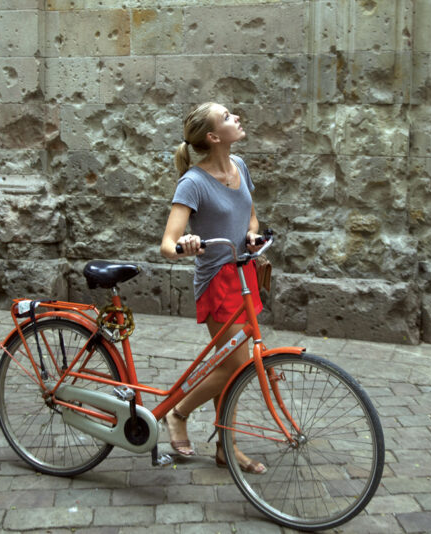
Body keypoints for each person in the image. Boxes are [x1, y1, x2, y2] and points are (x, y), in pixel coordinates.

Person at [159, 102, 267, 474]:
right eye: (227, 117)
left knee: (232, 367)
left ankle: (225, 447)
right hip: (217, 282)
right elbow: (167, 243)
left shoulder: (240, 168)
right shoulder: (193, 181)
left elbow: (250, 215)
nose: (237, 117)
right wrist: (185, 243)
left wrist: (252, 236)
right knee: (238, 363)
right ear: (213, 137)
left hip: (245, 276)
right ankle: (178, 412)